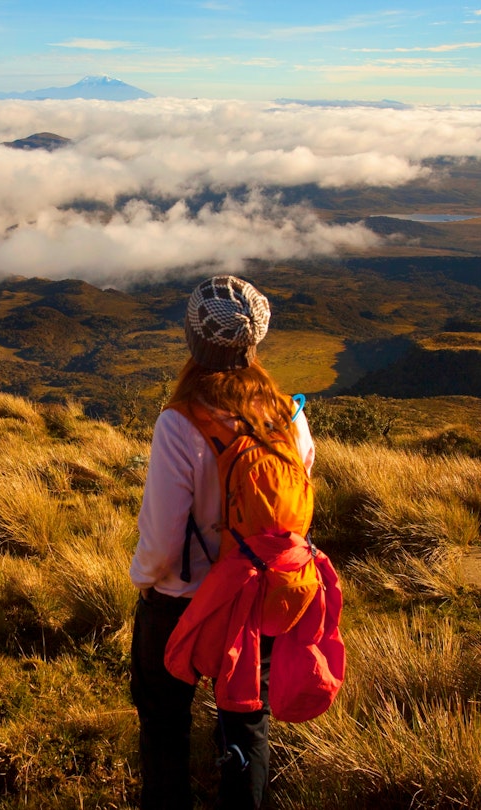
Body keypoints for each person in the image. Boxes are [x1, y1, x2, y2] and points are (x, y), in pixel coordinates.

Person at [129, 274, 315, 810]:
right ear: (254, 341)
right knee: (246, 723)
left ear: (193, 338)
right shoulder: (290, 417)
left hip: (184, 602)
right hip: (258, 596)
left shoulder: (180, 423)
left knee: (164, 721)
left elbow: (162, 541)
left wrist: (144, 584)